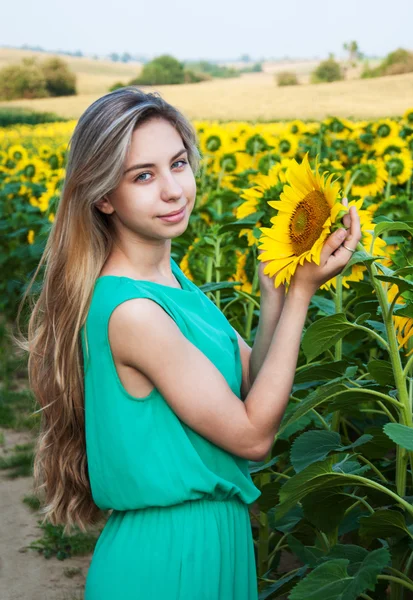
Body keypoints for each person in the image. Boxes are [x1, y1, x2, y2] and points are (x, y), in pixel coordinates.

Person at [16, 87, 361, 599]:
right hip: (168, 560)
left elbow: (248, 385)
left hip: (209, 544)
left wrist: (276, 299)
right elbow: (252, 436)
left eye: (178, 163)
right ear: (104, 195)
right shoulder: (134, 313)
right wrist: (305, 295)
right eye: (143, 176)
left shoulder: (173, 281)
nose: (174, 189)